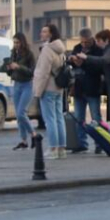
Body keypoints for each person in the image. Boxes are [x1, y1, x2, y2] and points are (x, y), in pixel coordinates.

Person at [71, 29, 110, 153]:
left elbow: (102, 62)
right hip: (107, 87)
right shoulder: (107, 49)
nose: (97, 42)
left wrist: (85, 58)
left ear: (106, 40)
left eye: (98, 40)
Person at [32, 23, 68, 160]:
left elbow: (43, 72)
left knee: (50, 119)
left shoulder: (47, 49)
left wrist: (38, 92)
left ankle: (53, 148)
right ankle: (61, 148)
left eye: (44, 31)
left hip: (48, 87)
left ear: (51, 34)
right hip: (59, 88)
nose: (41, 34)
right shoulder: (60, 48)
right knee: (59, 118)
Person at [69, 28, 104, 154]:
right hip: (79, 87)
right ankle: (81, 143)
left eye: (86, 42)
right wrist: (72, 60)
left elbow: (99, 69)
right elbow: (71, 61)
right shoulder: (77, 47)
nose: (83, 45)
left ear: (91, 39)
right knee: (79, 117)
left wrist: (83, 63)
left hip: (93, 87)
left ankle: (99, 143)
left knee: (96, 117)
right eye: (82, 42)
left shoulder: (98, 50)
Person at [5, 32, 37, 150]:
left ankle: (33, 134)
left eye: (18, 42)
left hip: (27, 85)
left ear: (22, 42)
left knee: (21, 112)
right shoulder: (13, 53)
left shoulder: (29, 54)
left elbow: (32, 72)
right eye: (14, 42)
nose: (16, 45)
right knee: (19, 116)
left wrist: (18, 67)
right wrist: (8, 69)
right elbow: (10, 72)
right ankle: (23, 140)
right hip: (17, 84)